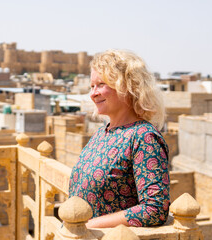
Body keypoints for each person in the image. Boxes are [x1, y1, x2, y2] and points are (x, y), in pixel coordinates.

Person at [69, 49, 170, 228]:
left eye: (101, 84)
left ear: (128, 86)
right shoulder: (100, 135)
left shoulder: (144, 137)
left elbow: (155, 209)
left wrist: (89, 225)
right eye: (92, 86)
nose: (93, 93)